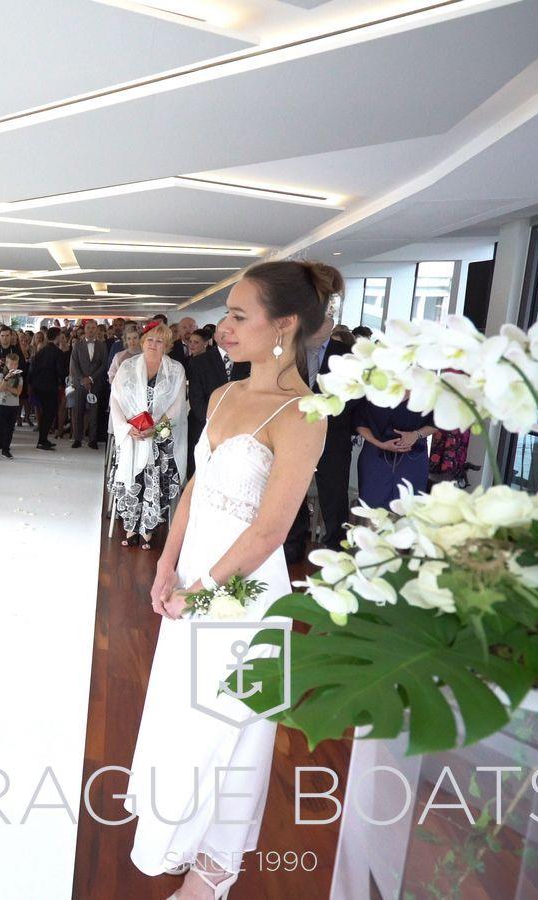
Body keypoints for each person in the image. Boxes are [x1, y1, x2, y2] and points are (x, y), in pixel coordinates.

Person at [127, 260, 333, 899]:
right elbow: (197, 484)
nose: (225, 328)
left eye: (241, 316)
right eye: (228, 314)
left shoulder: (304, 413)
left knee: (231, 726)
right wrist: (167, 562)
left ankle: (214, 869)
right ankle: (178, 834)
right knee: (183, 714)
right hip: (193, 575)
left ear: (285, 325)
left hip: (242, 592)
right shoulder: (222, 394)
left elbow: (271, 530)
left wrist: (202, 588)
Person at [109, 325, 188, 549]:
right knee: (134, 479)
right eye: (150, 340)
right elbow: (116, 399)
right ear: (143, 342)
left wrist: (156, 428)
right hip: (132, 435)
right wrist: (126, 427)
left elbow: (177, 406)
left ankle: (148, 527)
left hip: (160, 436)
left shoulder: (176, 369)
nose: (154, 344)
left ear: (167, 346)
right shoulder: (127, 366)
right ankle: (131, 526)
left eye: (159, 341)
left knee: (155, 480)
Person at [289, 316, 356, 558]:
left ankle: (336, 546)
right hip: (294, 433)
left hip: (333, 434)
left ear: (330, 326)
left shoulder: (347, 355)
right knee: (292, 489)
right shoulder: (291, 350)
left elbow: (354, 395)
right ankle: (293, 543)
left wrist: (326, 412)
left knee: (334, 493)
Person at [185, 326, 251, 481]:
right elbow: (196, 399)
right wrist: (214, 423)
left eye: (230, 332)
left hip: (238, 428)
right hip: (203, 425)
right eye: (222, 332)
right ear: (214, 337)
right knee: (199, 474)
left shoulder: (248, 360)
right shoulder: (199, 362)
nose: (226, 336)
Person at [355, 397, 434, 508]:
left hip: (413, 456)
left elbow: (437, 422)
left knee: (409, 506)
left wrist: (416, 435)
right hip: (375, 454)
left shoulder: (428, 391)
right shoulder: (373, 390)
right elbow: (359, 422)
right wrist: (379, 443)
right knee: (371, 505)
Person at [68, 320, 108, 449]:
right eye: (89, 328)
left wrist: (91, 378)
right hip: (80, 384)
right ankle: (77, 439)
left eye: (93, 328)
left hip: (95, 383)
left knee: (94, 412)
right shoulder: (77, 345)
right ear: (85, 329)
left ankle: (93, 439)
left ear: (97, 330)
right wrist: (82, 379)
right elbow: (74, 364)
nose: (91, 330)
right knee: (78, 411)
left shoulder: (102, 346)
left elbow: (104, 365)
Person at [30, 327, 63, 450]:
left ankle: (42, 439)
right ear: (57, 337)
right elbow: (60, 371)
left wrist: (32, 384)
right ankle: (42, 440)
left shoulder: (41, 351)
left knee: (45, 413)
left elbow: (33, 369)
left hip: (39, 386)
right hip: (51, 387)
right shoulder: (58, 352)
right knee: (50, 413)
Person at [0, 350, 24, 460]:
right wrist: (6, 378)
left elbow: (18, 392)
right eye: (11, 364)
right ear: (7, 364)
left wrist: (7, 388)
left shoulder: (20, 378)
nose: (13, 366)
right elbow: (0, 387)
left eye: (15, 364)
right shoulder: (1, 375)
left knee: (10, 428)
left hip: (13, 405)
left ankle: (6, 449)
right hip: (2, 404)